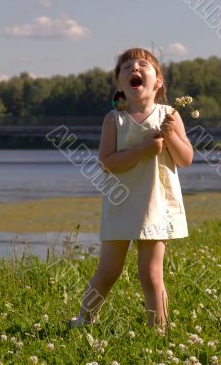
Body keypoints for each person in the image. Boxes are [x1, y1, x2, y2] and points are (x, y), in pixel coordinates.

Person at [69, 47, 193, 330]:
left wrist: (171, 134)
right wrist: (146, 149)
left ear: (158, 81)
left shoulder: (169, 114)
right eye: (127, 68)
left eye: (142, 65)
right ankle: (84, 320)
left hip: (155, 207)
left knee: (151, 275)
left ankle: (158, 332)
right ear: (120, 85)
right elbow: (107, 163)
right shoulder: (114, 120)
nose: (134, 69)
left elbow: (185, 159)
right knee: (108, 271)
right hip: (121, 205)